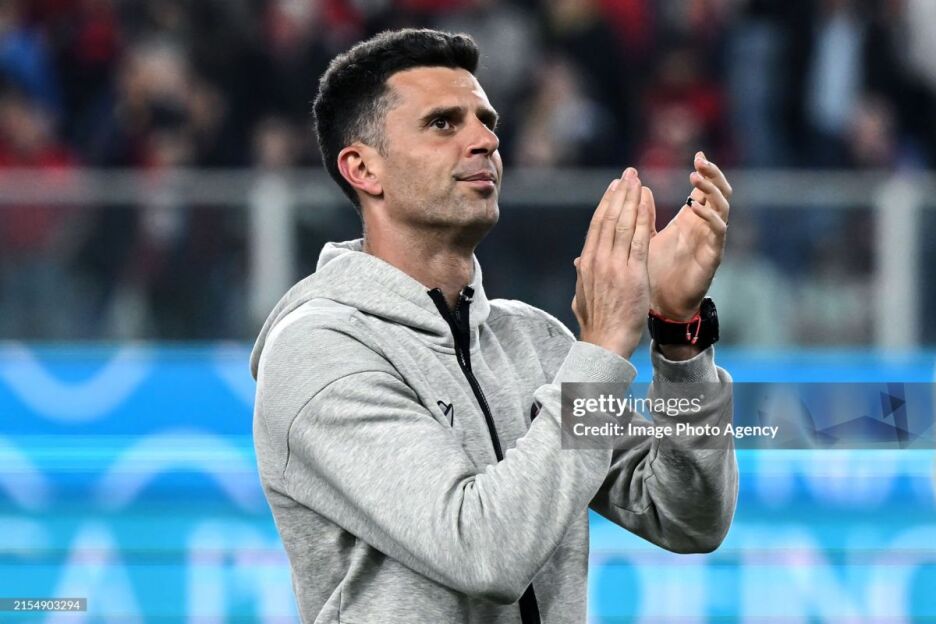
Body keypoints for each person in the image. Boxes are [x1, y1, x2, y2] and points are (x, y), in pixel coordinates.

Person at [250, 29, 737, 624]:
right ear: (362, 168)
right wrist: (604, 346)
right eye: (443, 124)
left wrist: (678, 335)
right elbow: (483, 552)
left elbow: (687, 516)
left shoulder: (534, 342)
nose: (485, 140)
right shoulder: (319, 351)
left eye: (486, 121)